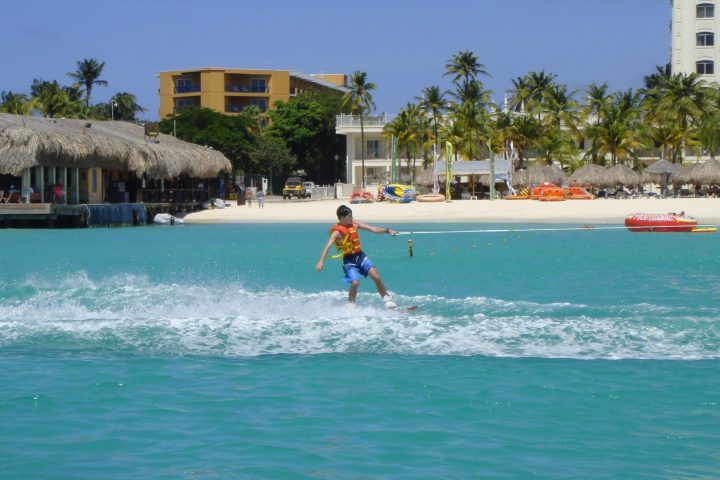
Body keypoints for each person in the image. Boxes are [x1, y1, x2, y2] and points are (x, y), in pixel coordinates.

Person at [316, 205, 398, 309]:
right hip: (349, 260)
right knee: (355, 282)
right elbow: (327, 247)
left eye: (352, 216)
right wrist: (321, 262)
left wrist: (388, 230)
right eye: (349, 216)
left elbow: (373, 229)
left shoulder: (355, 224)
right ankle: (350, 304)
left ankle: (387, 300)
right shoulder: (337, 232)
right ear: (342, 217)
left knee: (376, 277)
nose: (352, 218)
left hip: (360, 256)